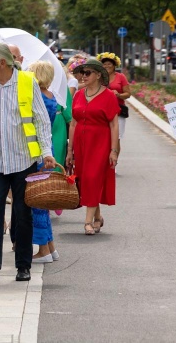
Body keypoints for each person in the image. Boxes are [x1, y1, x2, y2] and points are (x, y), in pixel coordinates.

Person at [0, 43, 56, 282]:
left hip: (24, 159)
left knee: (23, 213)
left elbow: (41, 121)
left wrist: (47, 152)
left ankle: (23, 265)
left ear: (2, 63)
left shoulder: (27, 82)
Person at [67, 58, 121, 235]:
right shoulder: (78, 95)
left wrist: (114, 150)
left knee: (93, 178)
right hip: (81, 145)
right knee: (85, 180)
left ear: (98, 75)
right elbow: (73, 123)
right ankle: (98, 218)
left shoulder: (109, 96)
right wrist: (70, 150)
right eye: (82, 73)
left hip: (100, 143)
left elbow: (114, 125)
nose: (83, 76)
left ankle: (87, 221)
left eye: (88, 72)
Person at [26, 61, 60, 264]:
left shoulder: (36, 96)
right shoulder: (51, 95)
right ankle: (50, 247)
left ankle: (43, 250)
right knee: (43, 201)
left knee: (36, 201)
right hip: (48, 150)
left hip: (38, 151)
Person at [98, 52, 131, 140]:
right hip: (101, 111)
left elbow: (128, 94)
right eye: (104, 64)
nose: (107, 66)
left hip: (118, 111)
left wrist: (118, 95)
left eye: (109, 64)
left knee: (116, 138)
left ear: (114, 66)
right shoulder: (98, 77)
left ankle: (114, 154)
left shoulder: (121, 77)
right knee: (103, 137)